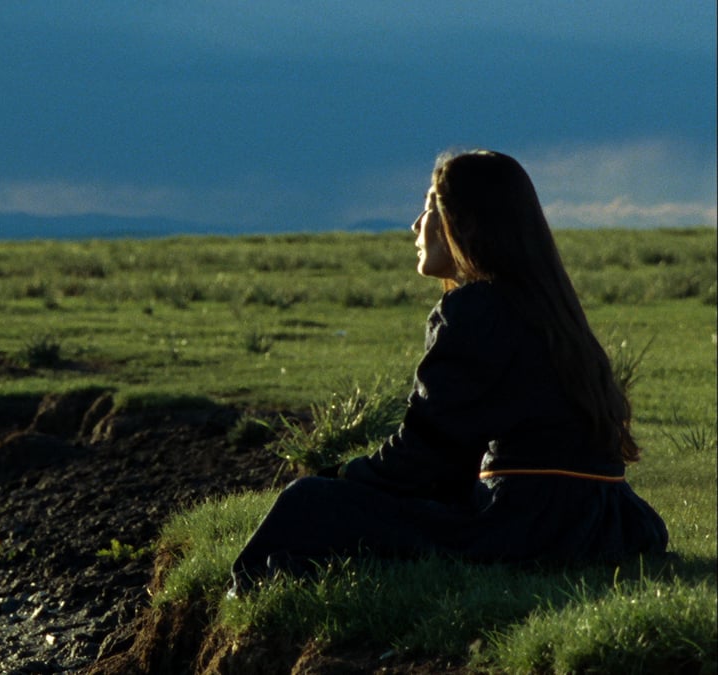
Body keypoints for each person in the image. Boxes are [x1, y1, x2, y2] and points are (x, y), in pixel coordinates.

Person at [229, 150, 668, 596]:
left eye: (428, 208)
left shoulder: (475, 309)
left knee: (305, 502)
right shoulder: (548, 305)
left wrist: (342, 476)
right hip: (605, 520)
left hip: (527, 526)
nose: (416, 226)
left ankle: (243, 596)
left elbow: (425, 455)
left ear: (464, 222)